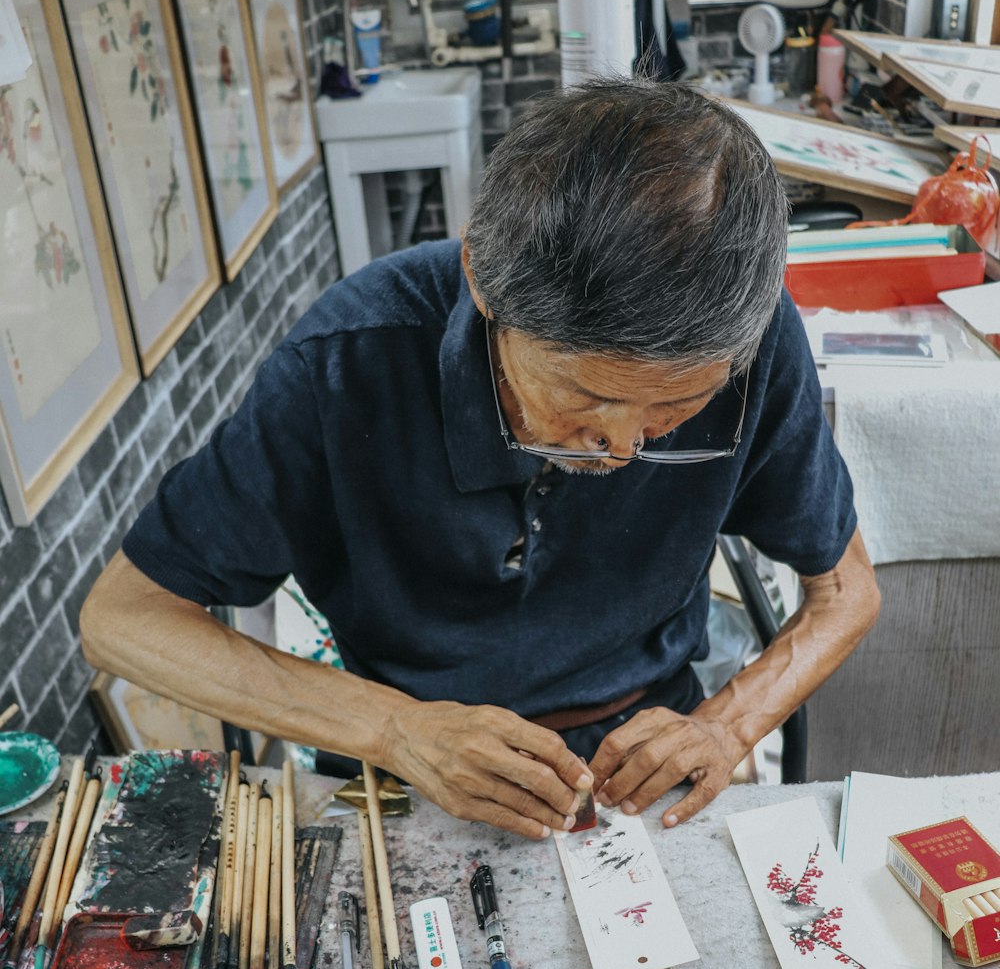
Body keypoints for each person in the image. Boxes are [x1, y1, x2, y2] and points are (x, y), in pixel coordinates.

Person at [81, 78, 879, 840]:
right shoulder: (346, 363)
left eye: (674, 407)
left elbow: (846, 590)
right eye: (586, 395)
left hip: (637, 756)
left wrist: (725, 726)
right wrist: (394, 729)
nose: (627, 445)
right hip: (401, 764)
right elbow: (123, 618)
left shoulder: (752, 341)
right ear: (483, 286)